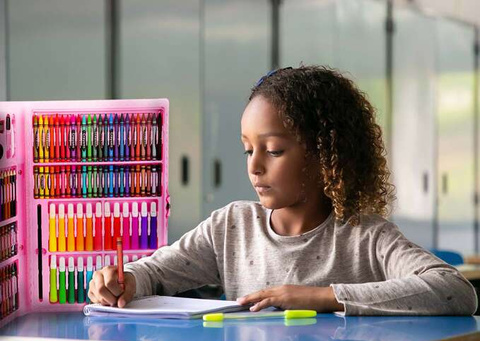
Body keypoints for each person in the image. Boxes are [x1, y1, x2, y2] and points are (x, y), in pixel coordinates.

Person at [88, 65, 477, 315]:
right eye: (247, 149)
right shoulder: (232, 227)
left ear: (326, 155)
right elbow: (156, 271)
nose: (254, 166)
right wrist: (127, 280)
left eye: (273, 150)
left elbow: (455, 292)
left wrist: (322, 297)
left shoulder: (365, 237)